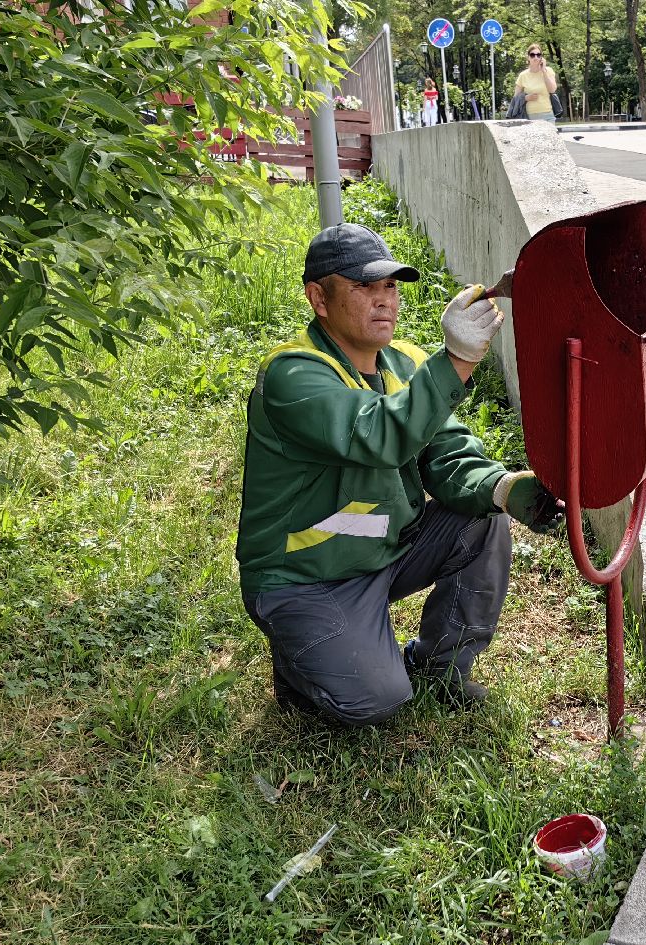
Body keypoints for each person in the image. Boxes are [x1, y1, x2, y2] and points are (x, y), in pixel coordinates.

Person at [237, 224, 563, 727]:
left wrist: (504, 489)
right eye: (363, 287)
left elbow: (447, 455)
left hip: (382, 547)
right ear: (317, 298)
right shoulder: (293, 376)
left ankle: (439, 666)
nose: (383, 300)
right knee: (377, 700)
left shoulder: (407, 362)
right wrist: (456, 359)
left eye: (389, 286)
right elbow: (379, 434)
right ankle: (300, 665)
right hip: (304, 576)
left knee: (483, 517)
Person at [515, 43, 559, 123]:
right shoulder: (523, 75)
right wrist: (525, 98)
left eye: (538, 55)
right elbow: (515, 98)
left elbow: (552, 90)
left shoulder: (548, 71)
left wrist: (544, 71)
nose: (536, 57)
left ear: (541, 57)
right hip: (529, 118)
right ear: (528, 57)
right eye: (532, 55)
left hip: (547, 116)